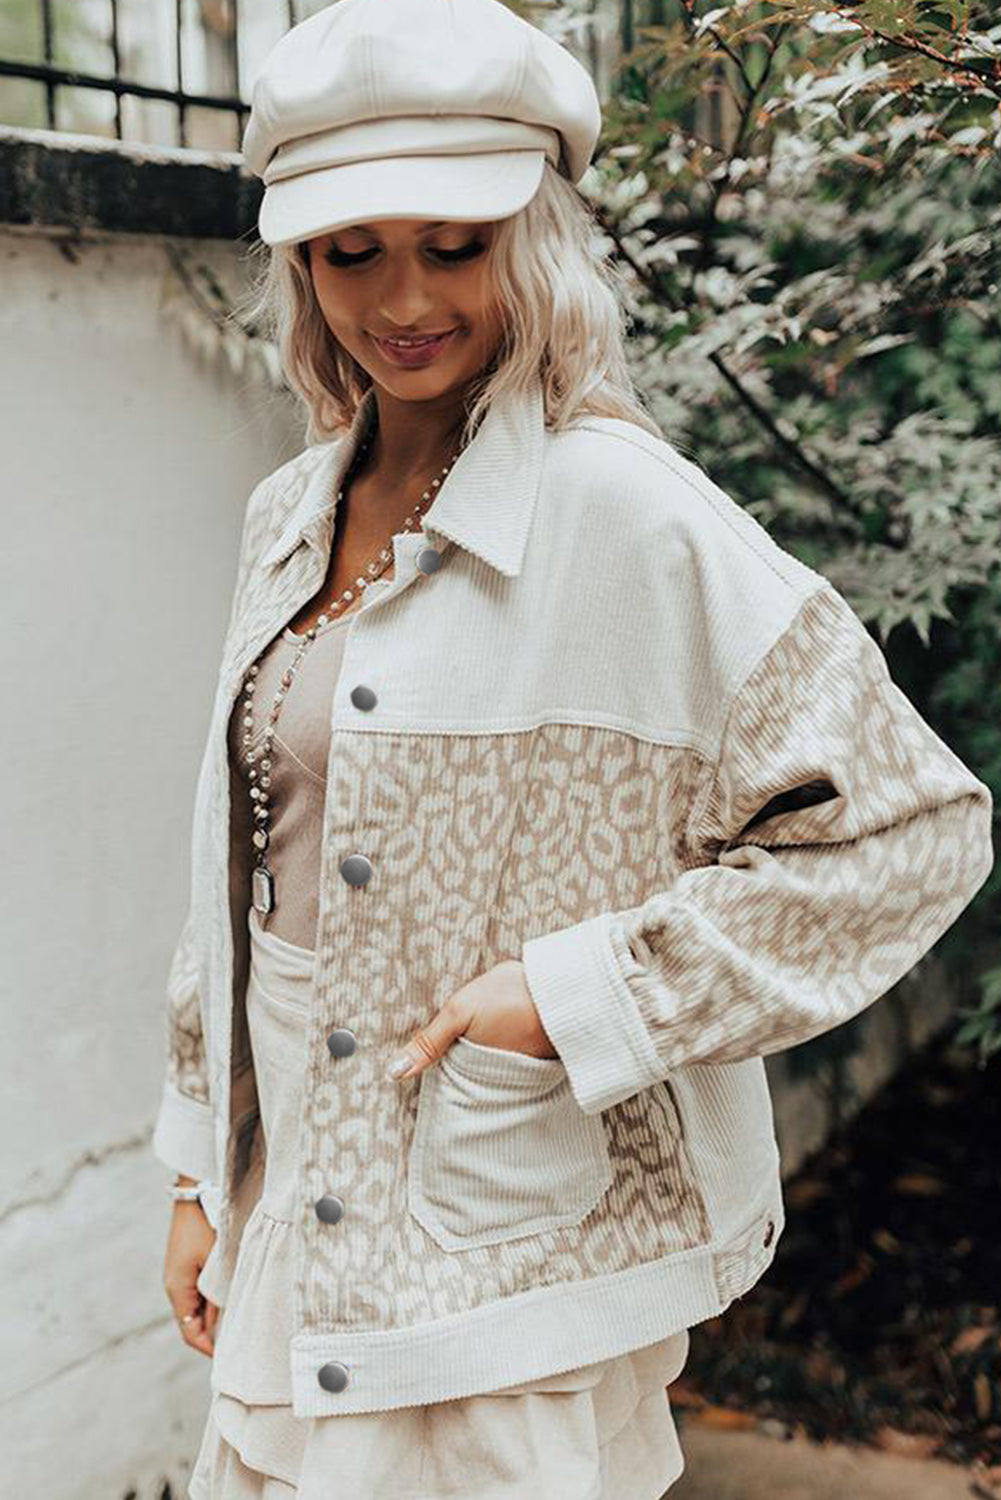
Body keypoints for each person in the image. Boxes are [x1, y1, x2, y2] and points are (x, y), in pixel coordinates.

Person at [155, 0, 995, 1496]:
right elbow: (251, 855)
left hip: (506, 1251)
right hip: (293, 1209)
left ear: (531, 244)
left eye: (454, 246)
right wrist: (197, 1165)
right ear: (300, 266)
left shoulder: (628, 515)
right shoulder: (286, 515)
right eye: (351, 253)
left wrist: (577, 996)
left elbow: (909, 830)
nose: (403, 299)